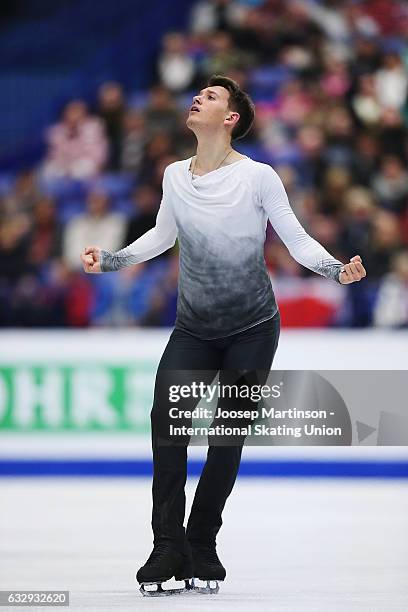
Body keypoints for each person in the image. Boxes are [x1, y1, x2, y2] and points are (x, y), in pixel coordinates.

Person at [80, 74, 366, 595]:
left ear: (230, 118)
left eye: (211, 97)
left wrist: (335, 270)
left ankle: (202, 543)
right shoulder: (173, 176)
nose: (198, 98)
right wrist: (113, 260)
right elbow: (163, 236)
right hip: (193, 327)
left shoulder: (258, 177)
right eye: (200, 93)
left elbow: (296, 240)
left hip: (252, 328)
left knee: (225, 438)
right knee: (167, 425)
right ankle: (166, 545)